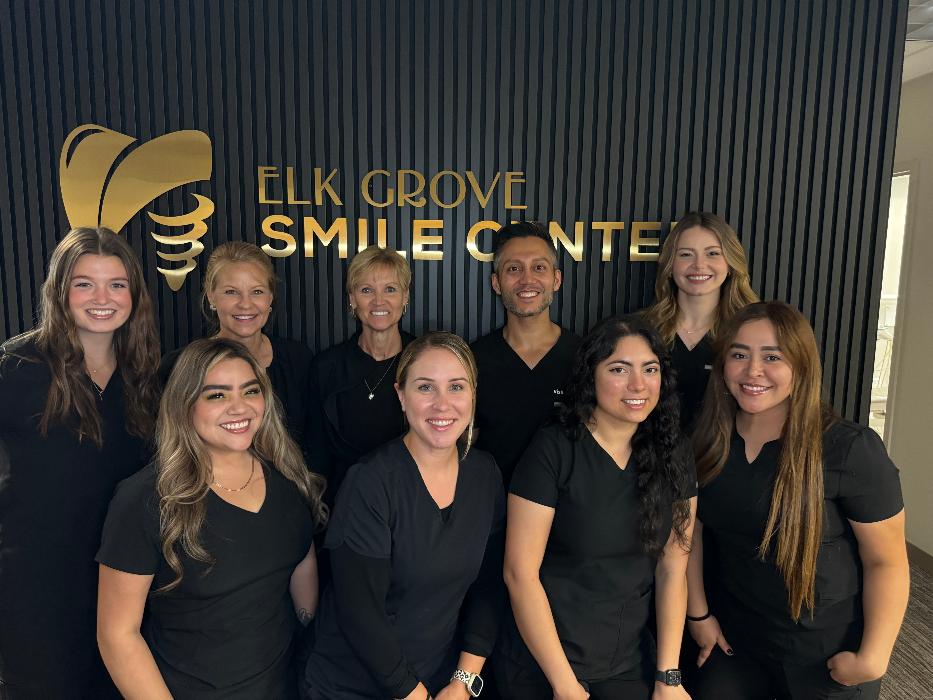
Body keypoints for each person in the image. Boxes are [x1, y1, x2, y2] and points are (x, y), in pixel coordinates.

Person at [686, 302, 908, 700]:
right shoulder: (707, 442)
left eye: (772, 357)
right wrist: (699, 614)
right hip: (737, 641)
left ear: (801, 366)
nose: (753, 370)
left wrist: (874, 657)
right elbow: (691, 535)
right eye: (739, 354)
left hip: (824, 653)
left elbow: (886, 561)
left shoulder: (849, 449)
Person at [96, 338, 327, 699]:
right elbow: (117, 634)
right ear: (184, 405)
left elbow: (301, 566)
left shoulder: (286, 477)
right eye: (216, 395)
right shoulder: (144, 499)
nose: (239, 408)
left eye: (250, 391)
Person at [0, 227, 160, 698]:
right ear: (60, 291)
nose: (102, 297)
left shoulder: (145, 373)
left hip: (126, 588)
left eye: (116, 284)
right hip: (38, 591)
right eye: (84, 283)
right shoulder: (16, 369)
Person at [502, 316, 696, 700]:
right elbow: (519, 574)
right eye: (619, 369)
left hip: (625, 663)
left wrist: (668, 677)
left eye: (649, 369)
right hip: (543, 662)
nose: (638, 385)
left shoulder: (673, 452)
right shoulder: (554, 449)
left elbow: (674, 568)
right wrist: (564, 685)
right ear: (590, 376)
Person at [304, 332, 505, 700]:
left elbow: (488, 587)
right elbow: (359, 613)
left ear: (473, 394)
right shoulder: (370, 481)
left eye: (456, 387)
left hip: (440, 682)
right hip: (353, 685)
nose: (442, 405)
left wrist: (462, 682)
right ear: (400, 395)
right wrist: (412, 694)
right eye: (425, 388)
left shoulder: (485, 474)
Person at [160, 241, 316, 453]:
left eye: (257, 292)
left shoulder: (298, 360)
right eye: (231, 292)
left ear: (271, 297)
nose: (245, 304)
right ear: (211, 295)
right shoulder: (179, 365)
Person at [470, 221, 580, 487]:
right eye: (513, 269)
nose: (527, 279)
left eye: (539, 267)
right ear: (496, 283)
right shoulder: (472, 361)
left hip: (567, 518)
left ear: (556, 279)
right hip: (491, 516)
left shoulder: (586, 358)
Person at [307, 245, 415, 506]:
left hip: (410, 503)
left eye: (390, 289)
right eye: (367, 290)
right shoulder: (327, 366)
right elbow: (315, 451)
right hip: (341, 504)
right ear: (352, 299)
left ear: (405, 297)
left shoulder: (423, 361)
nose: (379, 301)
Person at [642, 211, 758, 430]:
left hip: (727, 459)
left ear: (730, 262)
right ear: (669, 263)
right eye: (686, 254)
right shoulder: (640, 330)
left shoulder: (750, 332)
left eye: (713, 253)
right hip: (650, 459)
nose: (699, 265)